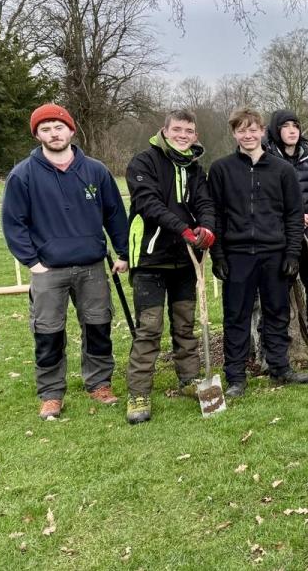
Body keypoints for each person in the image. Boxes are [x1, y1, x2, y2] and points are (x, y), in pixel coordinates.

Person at [1, 103, 129, 420]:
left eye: (58, 127)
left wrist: (123, 252)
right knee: (48, 333)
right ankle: (51, 394)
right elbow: (13, 223)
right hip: (48, 269)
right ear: (37, 135)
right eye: (45, 129)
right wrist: (32, 262)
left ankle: (99, 383)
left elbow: (115, 213)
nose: (53, 133)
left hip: (91, 267)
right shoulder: (23, 175)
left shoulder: (96, 171)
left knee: (98, 327)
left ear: (71, 130)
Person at [208, 108, 308, 398]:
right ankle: (236, 377)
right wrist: (218, 255)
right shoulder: (221, 169)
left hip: (274, 254)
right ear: (234, 134)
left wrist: (293, 254)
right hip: (237, 255)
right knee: (236, 316)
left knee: (277, 313)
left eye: (253, 129)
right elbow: (215, 214)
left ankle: (279, 366)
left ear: (263, 132)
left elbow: (293, 215)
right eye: (242, 130)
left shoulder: (282, 170)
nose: (248, 135)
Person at [122, 109, 216, 424]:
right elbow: (149, 204)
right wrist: (182, 228)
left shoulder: (195, 168)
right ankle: (138, 393)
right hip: (150, 257)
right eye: (177, 129)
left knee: (185, 324)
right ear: (164, 130)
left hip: (186, 259)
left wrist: (206, 228)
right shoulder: (143, 163)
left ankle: (189, 379)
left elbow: (204, 202)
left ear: (195, 136)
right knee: (149, 328)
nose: (183, 135)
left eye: (189, 131)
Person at [263, 110, 308, 346]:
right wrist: (294, 217)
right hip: (282, 239)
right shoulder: (266, 160)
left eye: (296, 125)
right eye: (286, 126)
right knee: (280, 293)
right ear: (275, 130)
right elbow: (265, 202)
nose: (292, 130)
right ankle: (281, 346)